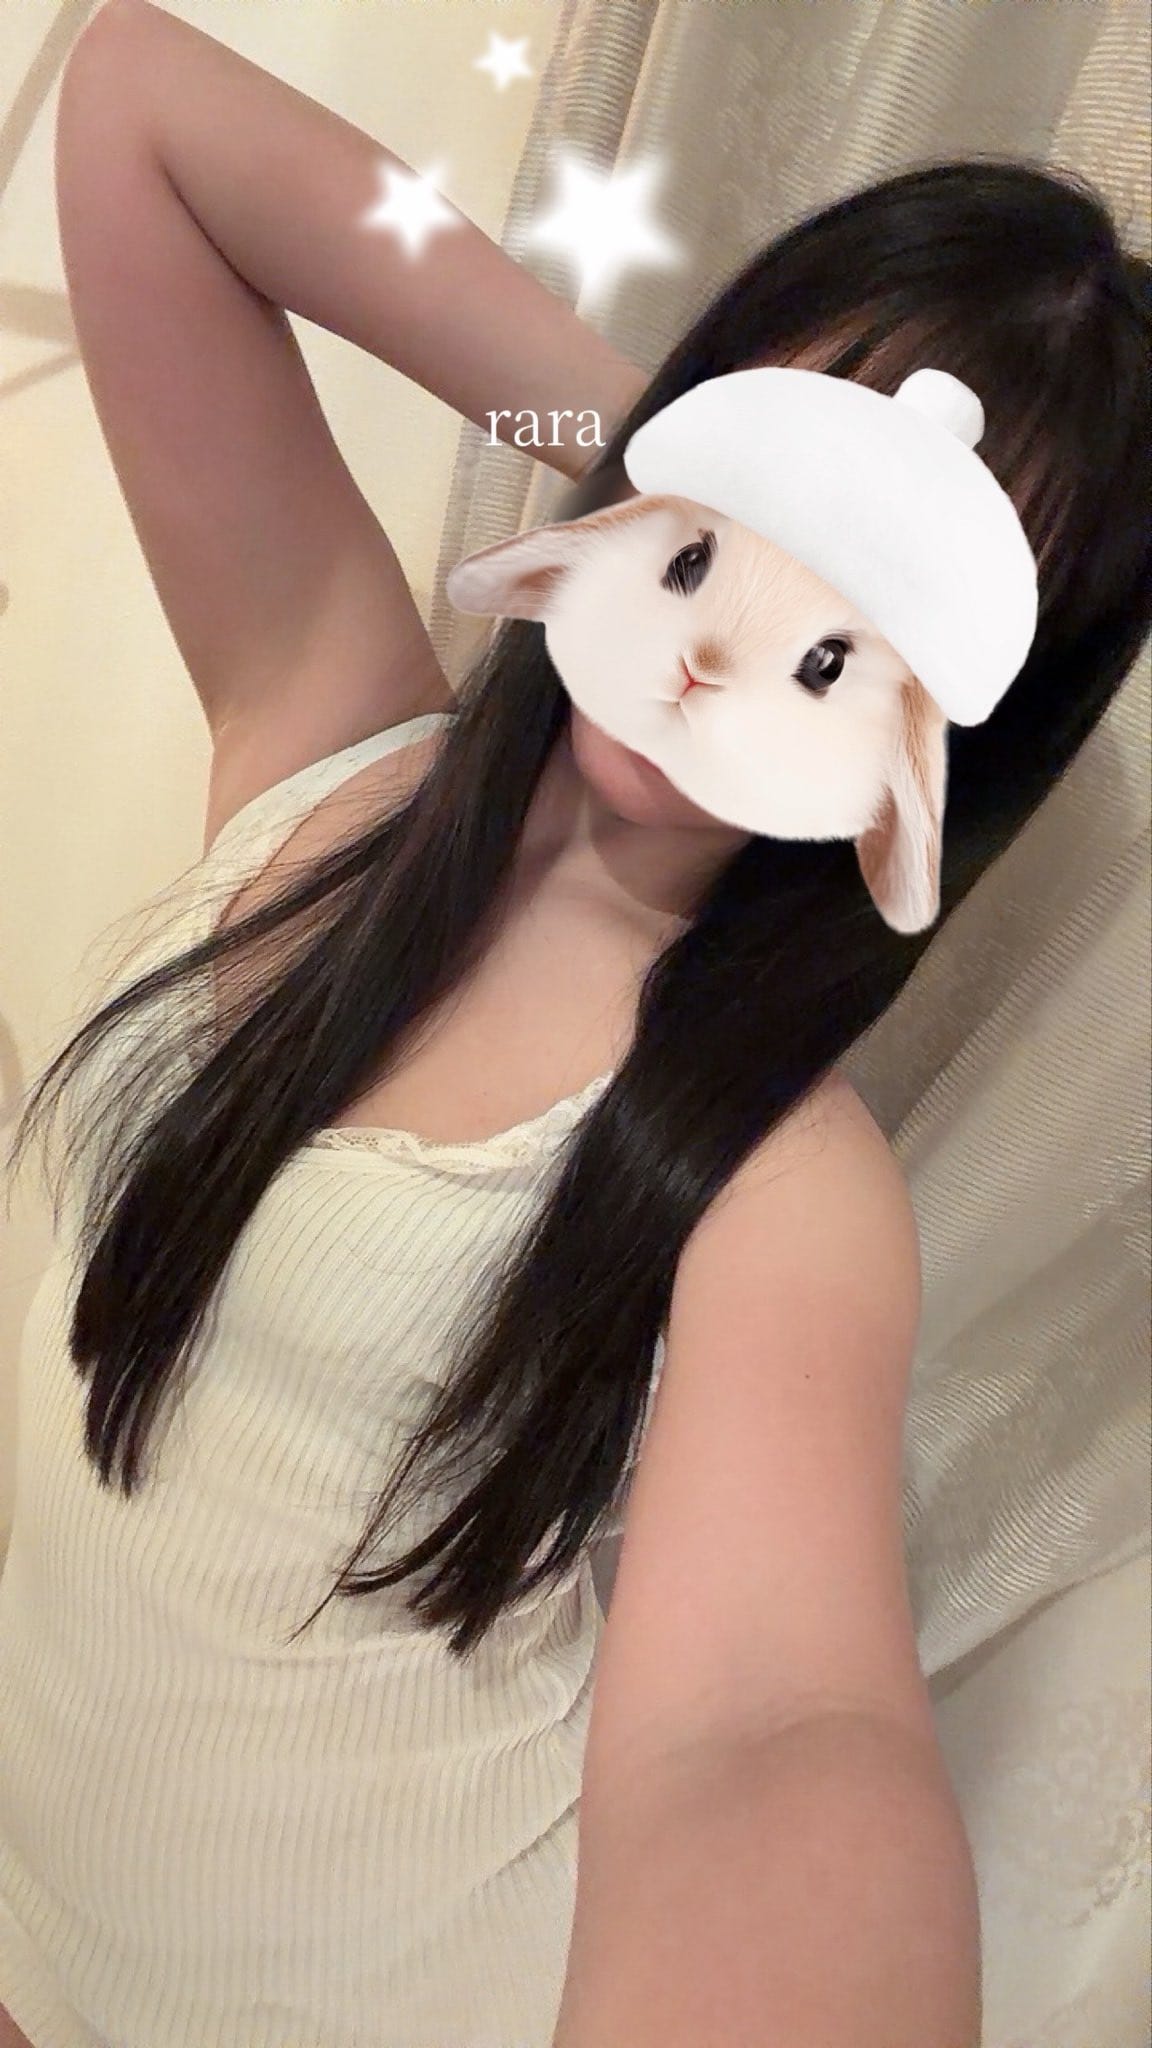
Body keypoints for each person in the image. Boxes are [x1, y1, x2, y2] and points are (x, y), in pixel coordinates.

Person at [1, 4, 1149, 2045]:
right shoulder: (325, 732)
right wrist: (685, 483)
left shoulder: (775, 1187)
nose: (753, 640)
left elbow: (774, 1729)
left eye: (879, 608)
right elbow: (143, 111)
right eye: (788, 458)